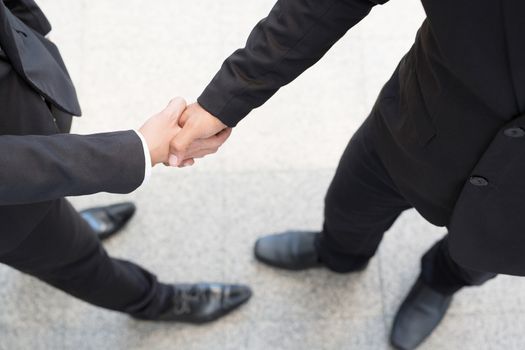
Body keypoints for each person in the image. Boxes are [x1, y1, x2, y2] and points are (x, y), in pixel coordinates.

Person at [168, 0, 525, 348]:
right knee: (349, 205)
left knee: (476, 258)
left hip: (517, 205)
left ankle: (440, 282)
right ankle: (339, 255)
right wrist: (229, 95)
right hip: (420, 123)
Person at [0, 0, 251, 323]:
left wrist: (27, 27)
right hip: (10, 209)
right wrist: (138, 149)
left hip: (23, 122)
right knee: (79, 262)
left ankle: (69, 220)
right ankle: (155, 302)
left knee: (55, 203)